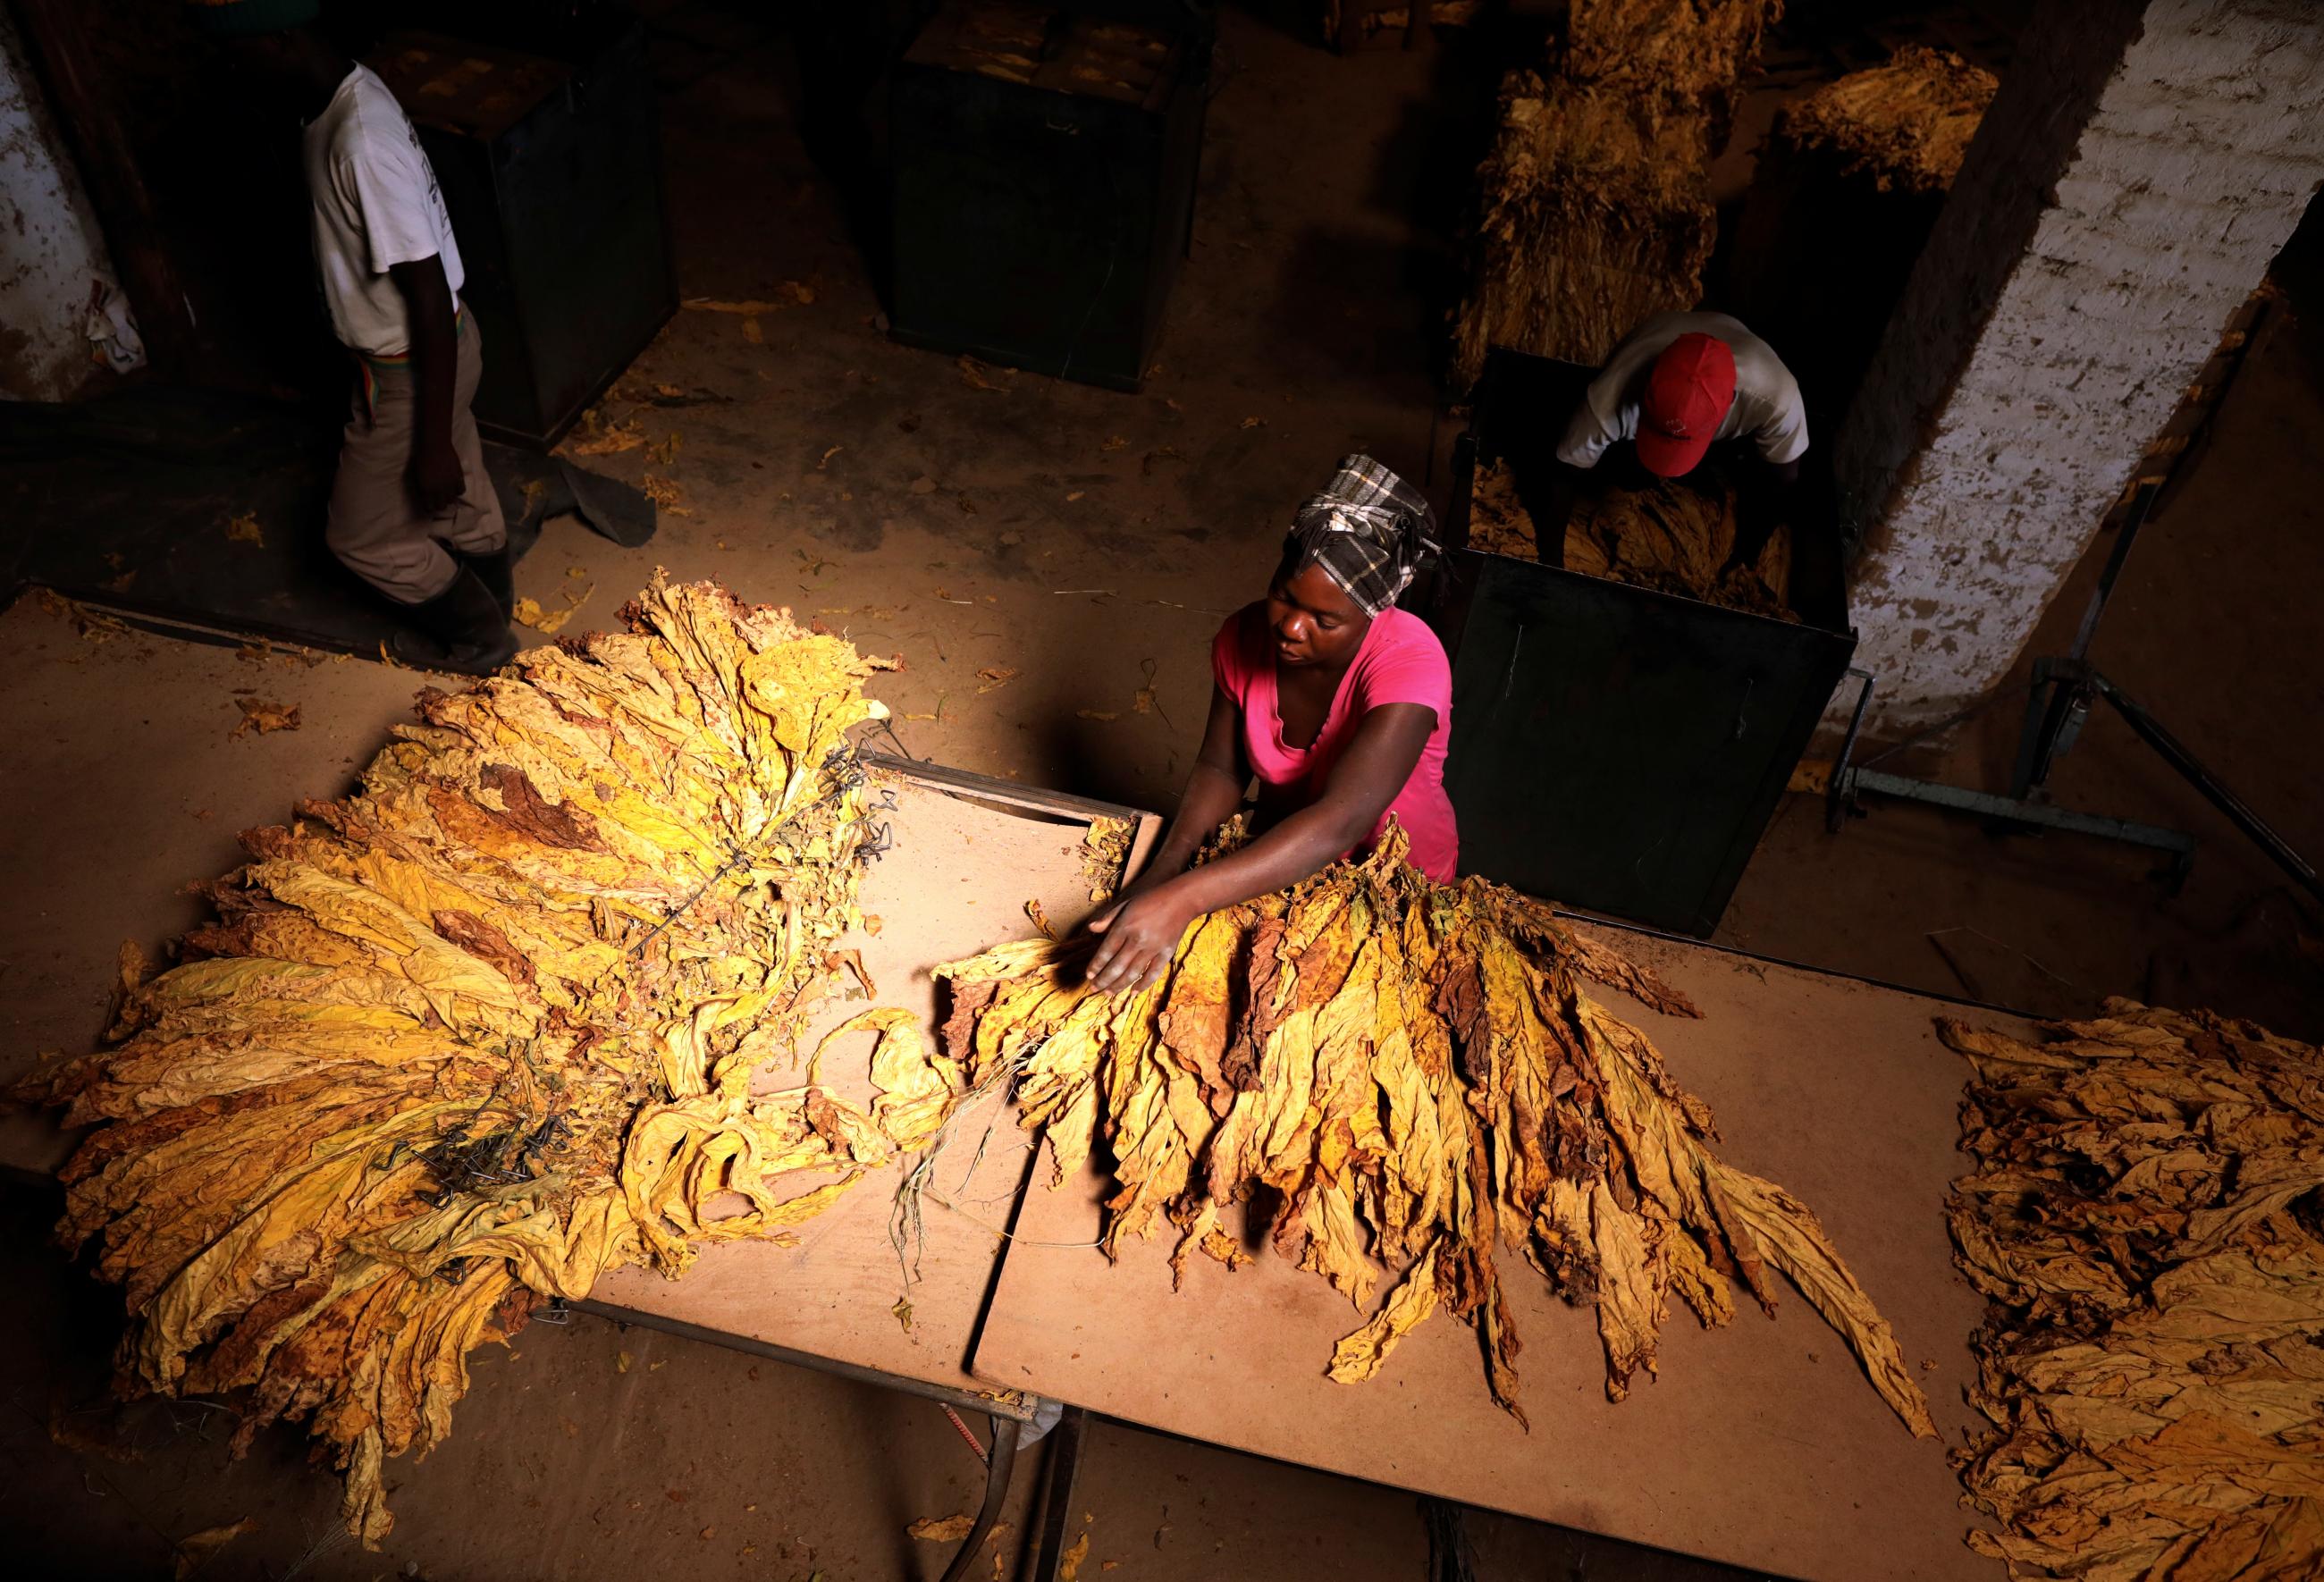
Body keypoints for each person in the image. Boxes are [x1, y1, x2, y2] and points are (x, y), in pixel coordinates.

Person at [190, 0, 516, 674]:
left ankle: (484, 640)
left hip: (414, 365)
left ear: (280, 41)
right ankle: (498, 595)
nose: (231, 67)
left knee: (362, 537)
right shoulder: (350, 93)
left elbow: (423, 288)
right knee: (457, 489)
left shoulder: (359, 141)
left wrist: (426, 443)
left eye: (237, 52)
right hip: (445, 345)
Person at [1086, 456, 1457, 994]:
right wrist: (1161, 877)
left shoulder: (1411, 663)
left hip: (1394, 882)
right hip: (1274, 861)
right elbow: (1220, 768)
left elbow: (1340, 822)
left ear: (1374, 614)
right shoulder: (1241, 636)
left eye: (1326, 621)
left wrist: (1187, 897)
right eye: (1284, 596)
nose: (1290, 626)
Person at [1556, 310, 1808, 483]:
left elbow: (1783, 477)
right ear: (1645, 389)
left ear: (1730, 404)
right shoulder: (1610, 396)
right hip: (1662, 327)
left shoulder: (1777, 400)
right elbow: (1568, 468)